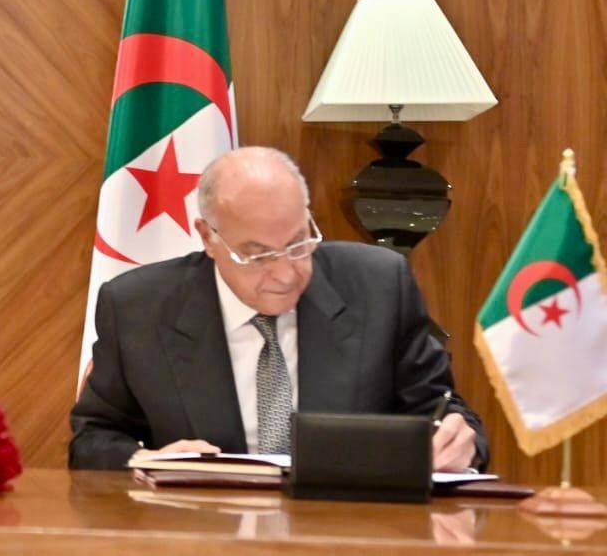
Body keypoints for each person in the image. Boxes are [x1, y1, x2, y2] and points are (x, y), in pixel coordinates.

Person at [69, 146, 487, 472]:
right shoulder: (138, 307)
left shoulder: (379, 286)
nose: (287, 274)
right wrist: (144, 460)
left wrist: (459, 441)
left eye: (298, 243)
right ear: (208, 237)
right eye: (258, 255)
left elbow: (441, 410)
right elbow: (93, 439)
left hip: (346, 530)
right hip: (202, 532)